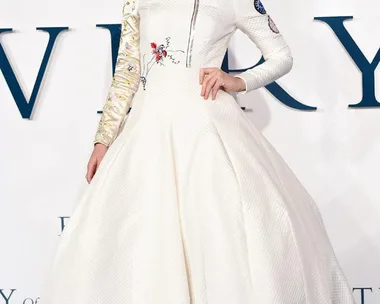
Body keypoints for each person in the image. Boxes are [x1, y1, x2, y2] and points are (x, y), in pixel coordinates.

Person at [41, 0, 357, 303]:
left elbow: (281, 56)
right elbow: (127, 70)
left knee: (221, 241)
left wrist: (238, 81)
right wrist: (104, 138)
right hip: (146, 130)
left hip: (206, 133)